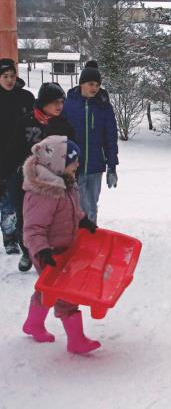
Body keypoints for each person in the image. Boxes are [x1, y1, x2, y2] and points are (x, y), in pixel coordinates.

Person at [21, 135, 101, 354]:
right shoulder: (43, 193)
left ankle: (33, 324)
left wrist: (82, 219)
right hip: (47, 253)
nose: (75, 172)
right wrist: (42, 251)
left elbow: (71, 211)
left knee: (48, 292)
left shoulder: (65, 183)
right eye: (73, 168)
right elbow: (33, 228)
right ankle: (76, 341)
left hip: (64, 250)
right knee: (67, 296)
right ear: (57, 164)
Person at [5, 82, 75, 272]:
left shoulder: (63, 124)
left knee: (52, 218)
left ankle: (47, 250)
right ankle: (28, 251)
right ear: (43, 103)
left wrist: (73, 174)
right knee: (26, 218)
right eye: (54, 102)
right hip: (27, 180)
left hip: (54, 182)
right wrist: (4, 175)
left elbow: (72, 153)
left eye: (61, 102)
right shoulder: (25, 121)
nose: (59, 106)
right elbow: (13, 150)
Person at [62, 61, 119, 224]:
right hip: (73, 167)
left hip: (95, 165)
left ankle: (90, 238)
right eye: (91, 84)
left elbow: (110, 137)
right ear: (82, 83)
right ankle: (74, 239)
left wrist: (112, 167)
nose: (95, 88)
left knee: (91, 205)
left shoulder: (104, 106)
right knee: (74, 205)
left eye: (98, 85)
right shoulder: (69, 104)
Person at [0, 58, 35, 256]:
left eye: (12, 76)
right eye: (5, 76)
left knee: (22, 200)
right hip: (1, 157)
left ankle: (23, 237)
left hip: (23, 157)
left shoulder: (26, 97)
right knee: (6, 201)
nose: (9, 80)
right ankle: (9, 238)